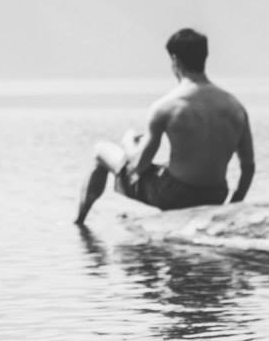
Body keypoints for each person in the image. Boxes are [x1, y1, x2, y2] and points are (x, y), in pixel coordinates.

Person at [76, 28, 252, 226]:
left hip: (174, 195)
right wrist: (231, 207)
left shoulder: (166, 106)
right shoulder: (235, 107)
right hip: (216, 195)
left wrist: (129, 144)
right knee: (167, 166)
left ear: (175, 60)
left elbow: (138, 167)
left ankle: (79, 222)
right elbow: (248, 168)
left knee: (101, 150)